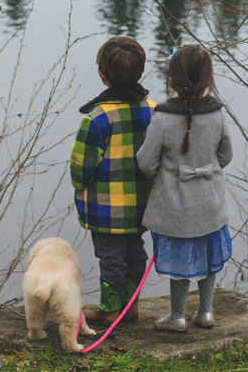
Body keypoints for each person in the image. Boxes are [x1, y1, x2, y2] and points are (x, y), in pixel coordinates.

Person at [137, 44, 233, 332]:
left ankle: (177, 316)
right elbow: (226, 155)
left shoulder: (162, 119)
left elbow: (145, 161)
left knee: (180, 263)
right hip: (210, 205)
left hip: (176, 208)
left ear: (171, 79)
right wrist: (207, 169)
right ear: (208, 79)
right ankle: (205, 312)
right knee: (208, 257)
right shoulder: (217, 114)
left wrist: (162, 175)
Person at [70, 36, 155, 324]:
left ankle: (110, 309)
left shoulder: (97, 118)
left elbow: (82, 165)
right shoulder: (154, 111)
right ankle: (131, 306)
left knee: (111, 258)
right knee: (136, 252)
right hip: (143, 204)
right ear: (140, 72)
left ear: (102, 75)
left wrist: (79, 184)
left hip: (106, 209)